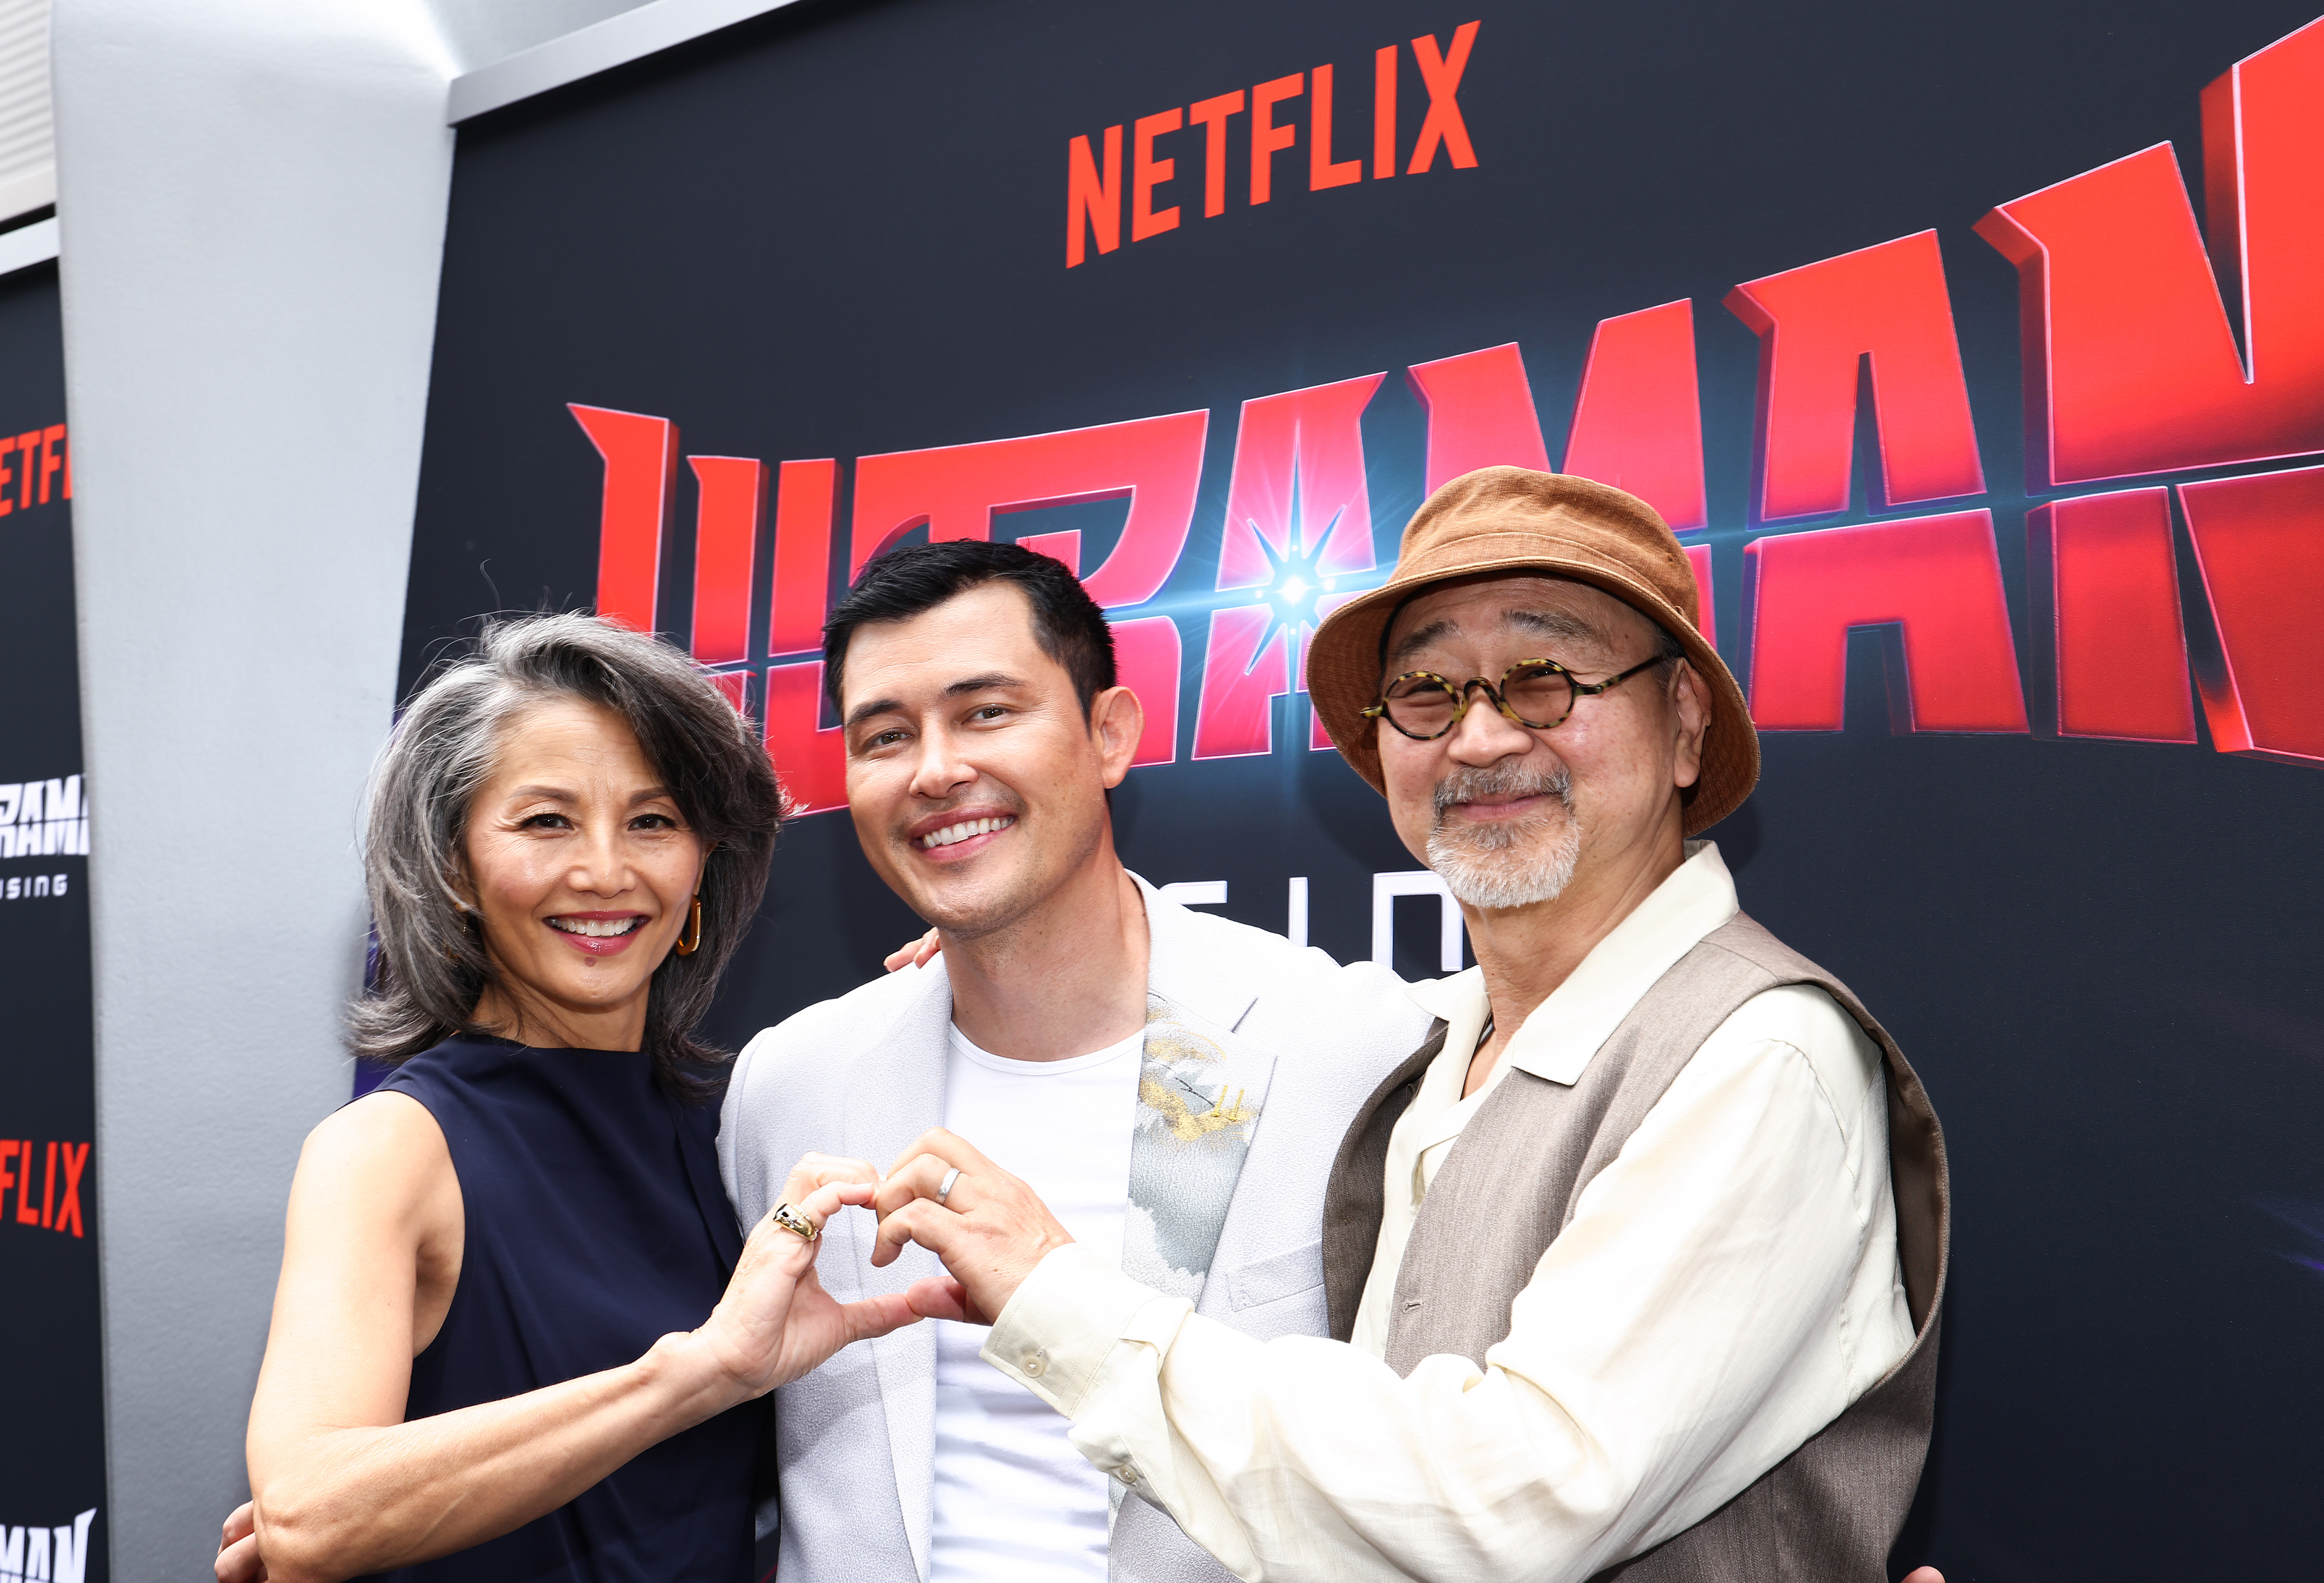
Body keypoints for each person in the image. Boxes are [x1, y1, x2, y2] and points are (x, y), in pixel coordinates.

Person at [871, 466, 1953, 1581]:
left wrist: (1059, 1296)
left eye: (1543, 678)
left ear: (1682, 722)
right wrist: (996, 946)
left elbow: (1510, 1503)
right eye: (1428, 692)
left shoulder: (1755, 1056)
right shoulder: (1426, 1039)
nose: (1479, 739)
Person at [717, 541, 1436, 1583]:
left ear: (1109, 733)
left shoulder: (1344, 1042)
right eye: (884, 734)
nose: (935, 768)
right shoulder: (791, 1083)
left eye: (986, 711)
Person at [214, 613, 930, 1583]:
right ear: (453, 866)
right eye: (546, 820)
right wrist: (693, 1373)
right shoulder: (391, 1146)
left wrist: (966, 983)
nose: (604, 870)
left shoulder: (737, 1130)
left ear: (702, 862)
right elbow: (307, 1512)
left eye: (653, 820)